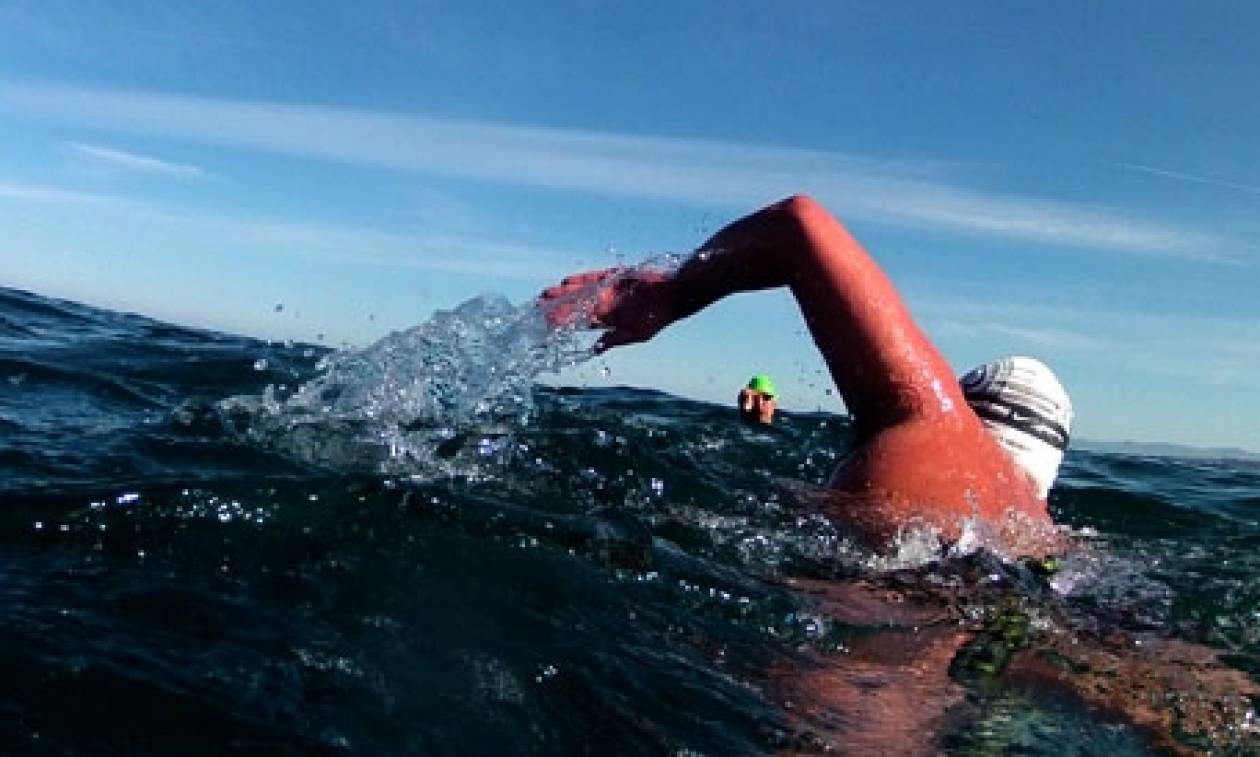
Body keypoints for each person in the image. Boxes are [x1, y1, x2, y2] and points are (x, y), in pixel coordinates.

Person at [541, 195, 1071, 553]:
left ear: (969, 411)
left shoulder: (932, 424)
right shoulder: (1046, 536)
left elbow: (799, 225)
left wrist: (669, 295)